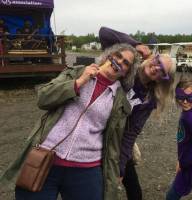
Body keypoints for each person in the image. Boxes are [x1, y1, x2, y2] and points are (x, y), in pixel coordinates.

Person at [0, 43, 139, 200]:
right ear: (109, 56)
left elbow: (114, 143)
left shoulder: (120, 100)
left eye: (126, 63)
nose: (120, 62)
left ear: (126, 72)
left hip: (86, 168)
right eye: (118, 56)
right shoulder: (76, 72)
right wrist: (79, 82)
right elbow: (43, 98)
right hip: (46, 158)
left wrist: (117, 171)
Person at [99, 27, 176, 200]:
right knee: (96, 185)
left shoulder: (149, 99)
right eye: (157, 61)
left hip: (117, 139)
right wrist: (136, 44)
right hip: (95, 130)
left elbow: (132, 131)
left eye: (162, 70)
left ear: (163, 79)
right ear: (151, 57)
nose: (156, 68)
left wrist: (121, 167)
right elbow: (104, 33)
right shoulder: (128, 69)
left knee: (134, 191)